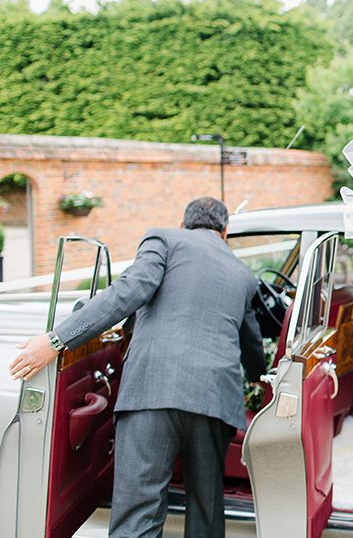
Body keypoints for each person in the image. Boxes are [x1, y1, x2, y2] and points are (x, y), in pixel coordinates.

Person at [9, 196, 267, 538]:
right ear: (225, 232)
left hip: (152, 390)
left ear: (183, 223)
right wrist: (263, 386)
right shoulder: (243, 274)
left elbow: (128, 292)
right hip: (216, 400)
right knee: (207, 511)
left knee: (138, 515)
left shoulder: (164, 239)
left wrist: (56, 341)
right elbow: (252, 347)